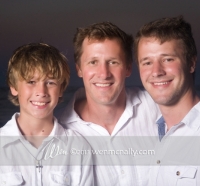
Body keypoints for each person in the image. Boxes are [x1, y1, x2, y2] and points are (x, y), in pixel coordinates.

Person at [60, 22, 161, 185]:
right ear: (79, 69)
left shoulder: (157, 108)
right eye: (93, 62)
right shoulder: (61, 133)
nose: (103, 74)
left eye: (113, 62)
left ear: (128, 68)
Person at [0, 43, 93, 186]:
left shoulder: (78, 147)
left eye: (50, 82)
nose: (41, 92)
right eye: (31, 82)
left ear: (61, 89)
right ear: (13, 87)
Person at [134, 16, 200, 185]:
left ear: (191, 63)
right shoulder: (152, 130)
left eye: (168, 59)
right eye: (147, 62)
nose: (156, 71)